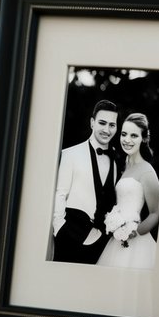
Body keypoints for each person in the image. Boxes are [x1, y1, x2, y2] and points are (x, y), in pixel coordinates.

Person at [52, 99, 119, 264]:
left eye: (112, 125)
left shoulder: (116, 162)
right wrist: (60, 229)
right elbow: (60, 194)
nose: (106, 129)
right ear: (92, 122)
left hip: (101, 246)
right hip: (69, 240)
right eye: (102, 123)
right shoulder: (70, 154)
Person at [97, 112, 159, 270]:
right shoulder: (125, 166)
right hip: (116, 237)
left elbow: (155, 213)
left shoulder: (147, 171)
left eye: (134, 135)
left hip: (135, 239)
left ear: (144, 138)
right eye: (124, 134)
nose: (127, 140)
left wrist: (134, 232)